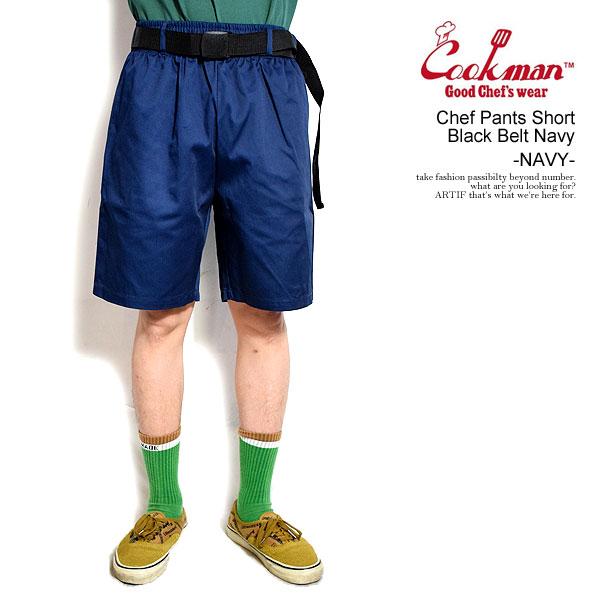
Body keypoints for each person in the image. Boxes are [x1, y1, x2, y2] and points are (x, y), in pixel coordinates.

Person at [92, 0, 324, 587]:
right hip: (161, 75)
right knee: (162, 311)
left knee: (265, 310)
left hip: (265, 78)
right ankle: (162, 506)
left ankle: (255, 509)